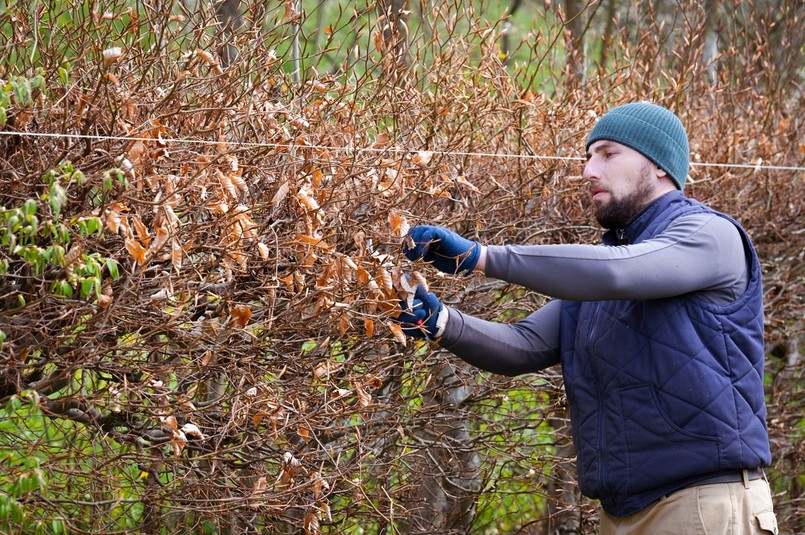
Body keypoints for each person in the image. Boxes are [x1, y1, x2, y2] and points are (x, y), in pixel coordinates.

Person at [394, 102, 779, 534]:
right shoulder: (604, 274)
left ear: (659, 165)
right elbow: (523, 344)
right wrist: (441, 321)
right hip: (621, 513)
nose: (588, 171)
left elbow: (618, 273)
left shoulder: (711, 236)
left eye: (608, 154)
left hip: (704, 506)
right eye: (588, 156)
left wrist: (479, 256)